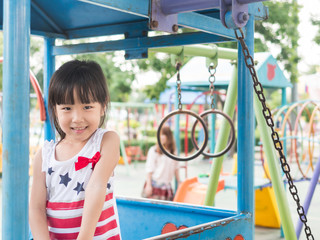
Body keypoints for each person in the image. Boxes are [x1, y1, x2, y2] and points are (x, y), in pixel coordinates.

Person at [29, 60, 121, 240]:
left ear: (102, 106)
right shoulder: (44, 155)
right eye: (67, 108)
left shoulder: (106, 141)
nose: (77, 118)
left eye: (87, 107)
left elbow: (96, 186)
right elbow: (36, 208)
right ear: (55, 110)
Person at [143, 126, 181, 201]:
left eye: (163, 134)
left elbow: (176, 168)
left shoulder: (173, 152)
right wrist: (148, 185)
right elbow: (149, 169)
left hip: (166, 187)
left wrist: (179, 182)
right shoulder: (154, 150)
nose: (161, 137)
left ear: (168, 136)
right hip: (154, 185)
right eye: (159, 134)